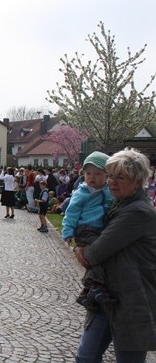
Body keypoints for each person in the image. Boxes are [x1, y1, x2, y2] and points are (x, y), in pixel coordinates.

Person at [74, 148, 156, 362]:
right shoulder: (115, 206)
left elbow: (93, 254)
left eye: (120, 177)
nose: (112, 182)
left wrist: (79, 248)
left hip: (131, 301)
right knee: (86, 357)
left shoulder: (137, 211)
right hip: (106, 298)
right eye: (110, 176)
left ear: (137, 181)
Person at [62, 151, 114, 310]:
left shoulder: (106, 190)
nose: (92, 177)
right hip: (85, 229)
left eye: (98, 174)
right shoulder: (82, 192)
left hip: (99, 229)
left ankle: (87, 293)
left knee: (101, 257)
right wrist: (68, 232)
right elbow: (71, 212)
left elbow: (111, 202)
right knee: (96, 256)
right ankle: (96, 287)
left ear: (106, 175)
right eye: (88, 173)